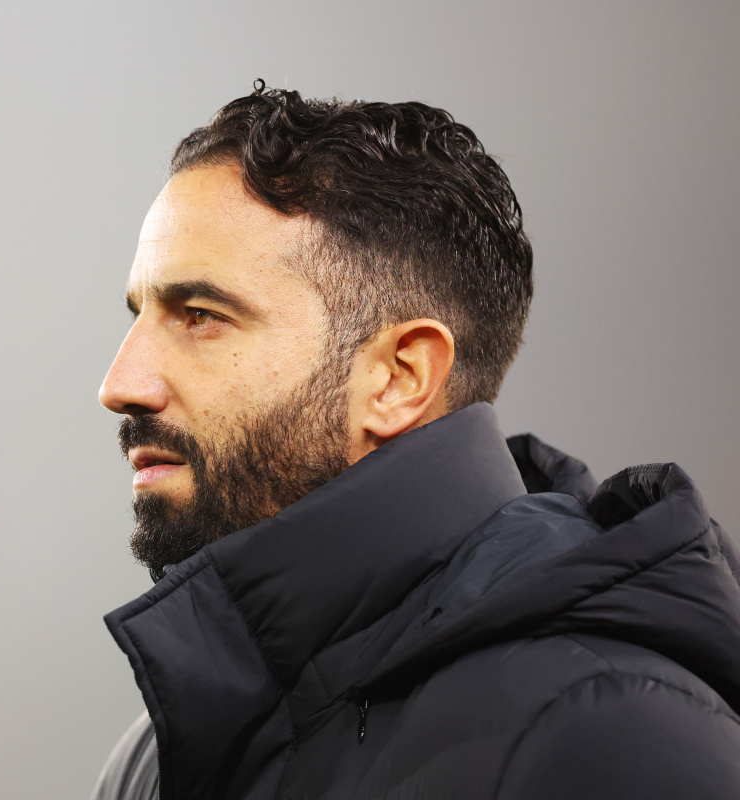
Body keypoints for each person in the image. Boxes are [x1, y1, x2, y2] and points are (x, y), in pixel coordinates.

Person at [91, 82, 740, 800]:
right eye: (139, 314)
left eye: (201, 314)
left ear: (399, 378)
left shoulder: (610, 737)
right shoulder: (158, 758)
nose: (121, 383)